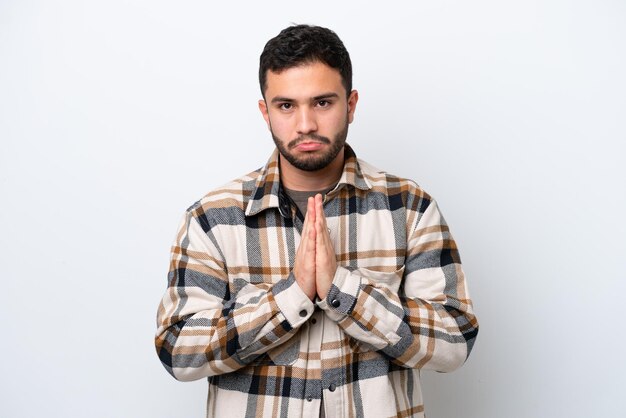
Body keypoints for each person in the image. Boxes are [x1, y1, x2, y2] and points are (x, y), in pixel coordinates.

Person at [155, 24, 478, 418]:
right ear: (265, 111)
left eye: (322, 103)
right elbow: (177, 351)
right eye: (286, 105)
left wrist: (343, 291)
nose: (305, 124)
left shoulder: (409, 208)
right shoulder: (213, 218)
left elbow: (454, 343)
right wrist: (292, 296)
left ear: (351, 104)